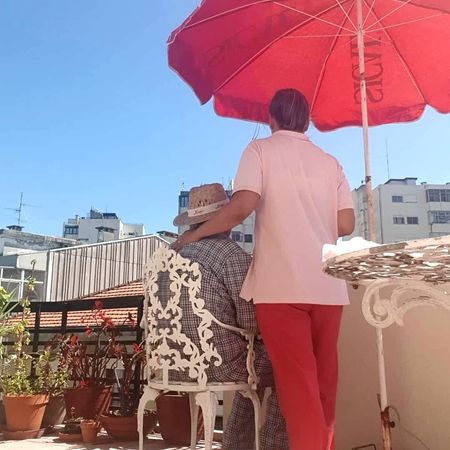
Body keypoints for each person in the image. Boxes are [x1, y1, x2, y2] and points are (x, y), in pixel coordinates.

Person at [173, 89, 355, 450]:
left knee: (297, 387)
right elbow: (346, 223)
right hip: (328, 287)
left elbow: (242, 206)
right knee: (323, 387)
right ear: (307, 121)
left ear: (271, 118)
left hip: (281, 287)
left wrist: (195, 234)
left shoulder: (259, 151)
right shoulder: (331, 163)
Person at [163, 183, 288, 450]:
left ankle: (237, 444)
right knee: (284, 366)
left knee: (252, 365)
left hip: (169, 364)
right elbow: (251, 323)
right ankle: (270, 446)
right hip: (218, 365)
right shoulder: (229, 255)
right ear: (226, 219)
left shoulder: (170, 255)